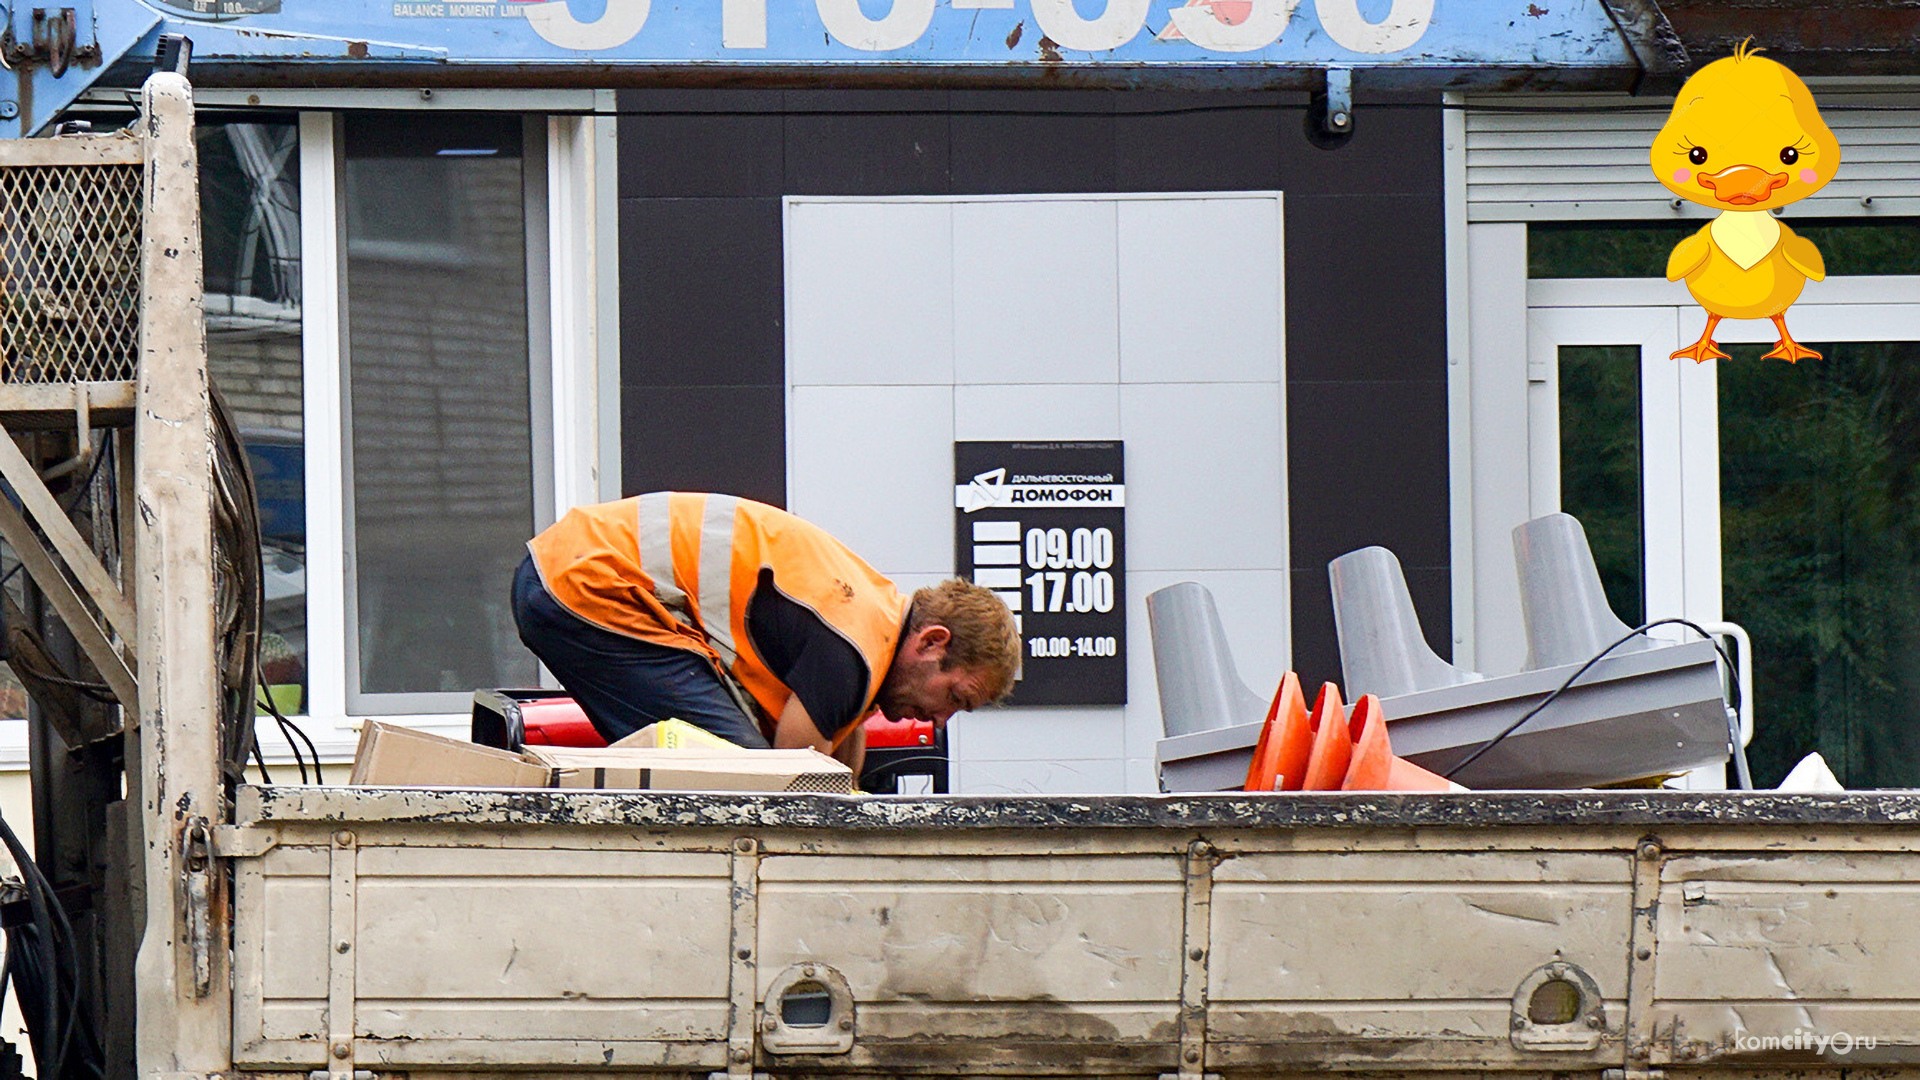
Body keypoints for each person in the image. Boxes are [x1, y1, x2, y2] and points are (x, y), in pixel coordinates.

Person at [511, 491, 1020, 773]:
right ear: (932, 642)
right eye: (955, 696)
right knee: (747, 785)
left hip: (567, 572)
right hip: (586, 585)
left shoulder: (869, 624)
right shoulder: (851, 656)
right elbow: (794, 784)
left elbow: (839, 759)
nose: (941, 718)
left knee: (729, 771)